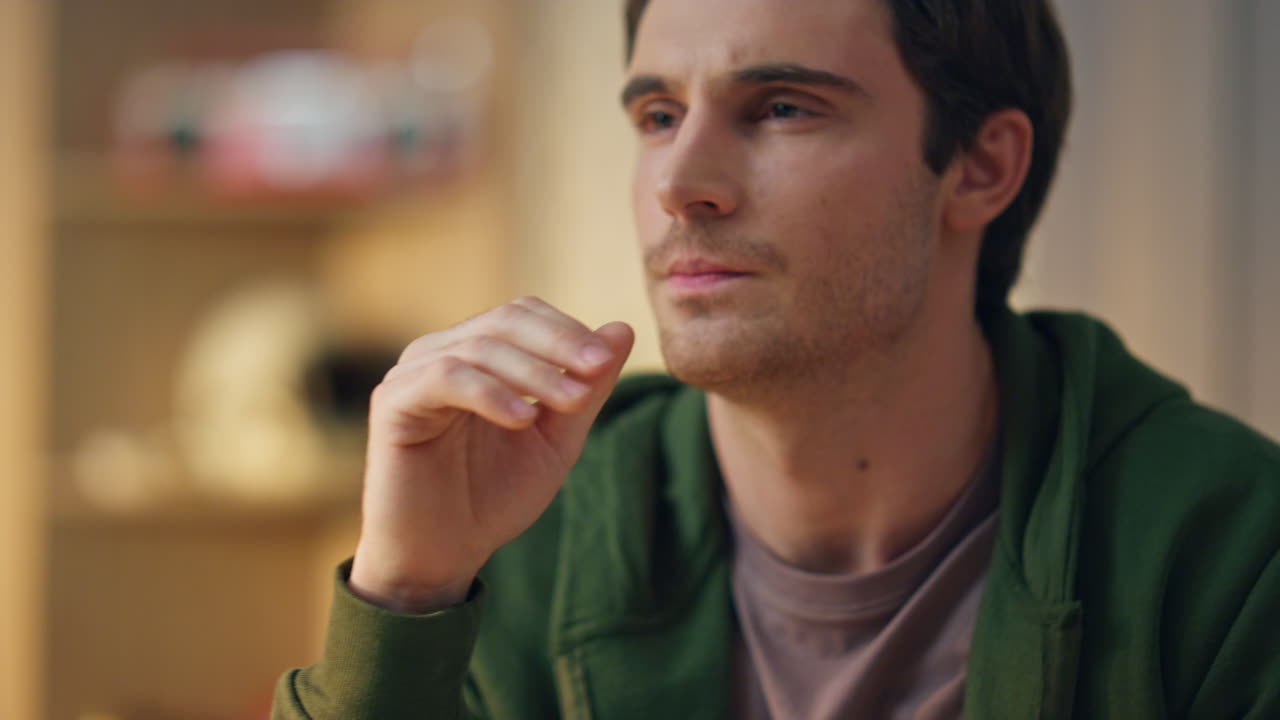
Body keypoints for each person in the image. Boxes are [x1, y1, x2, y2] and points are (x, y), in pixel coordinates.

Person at [273, 0, 1280, 717]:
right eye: (658, 116)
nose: (679, 183)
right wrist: (405, 593)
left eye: (782, 106)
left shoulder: (1229, 552)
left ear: (979, 167)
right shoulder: (524, 532)